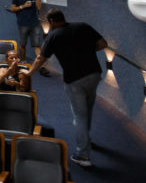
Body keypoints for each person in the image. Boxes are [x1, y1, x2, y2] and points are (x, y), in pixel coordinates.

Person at [25, 9, 107, 167]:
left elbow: (41, 58)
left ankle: (83, 155)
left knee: (79, 116)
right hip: (94, 74)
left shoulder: (54, 36)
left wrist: (29, 72)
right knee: (87, 111)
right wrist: (86, 51)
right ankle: (87, 140)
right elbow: (103, 44)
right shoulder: (83, 26)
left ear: (51, 22)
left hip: (75, 80)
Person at [12, 0, 50, 76]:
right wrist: (22, 6)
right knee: (23, 45)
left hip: (35, 23)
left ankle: (41, 66)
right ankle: (23, 62)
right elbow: (13, 9)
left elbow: (39, 7)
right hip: (23, 23)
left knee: (37, 45)